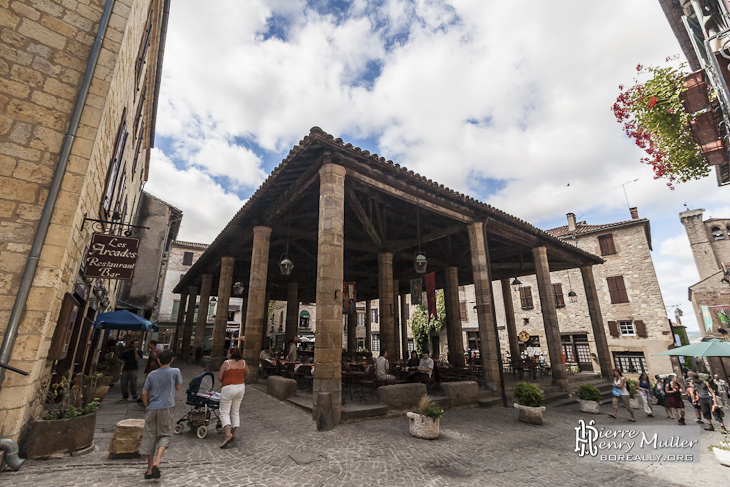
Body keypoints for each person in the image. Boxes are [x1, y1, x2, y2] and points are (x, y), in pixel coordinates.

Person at [140, 349, 183, 479]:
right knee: (164, 434)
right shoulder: (175, 372)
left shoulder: (152, 374)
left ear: (158, 361)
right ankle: (157, 462)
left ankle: (148, 469)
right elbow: (179, 387)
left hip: (152, 408)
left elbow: (144, 393)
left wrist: (147, 405)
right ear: (171, 360)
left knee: (150, 436)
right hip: (166, 407)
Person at [218, 347, 249, 448]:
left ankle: (227, 434)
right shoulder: (243, 363)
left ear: (231, 354)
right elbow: (247, 372)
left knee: (224, 411)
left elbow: (219, 377)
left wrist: (225, 380)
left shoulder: (226, 363)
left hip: (229, 387)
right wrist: (241, 379)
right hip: (240, 387)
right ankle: (233, 432)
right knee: (235, 410)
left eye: (228, 353)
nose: (227, 355)